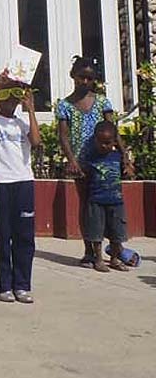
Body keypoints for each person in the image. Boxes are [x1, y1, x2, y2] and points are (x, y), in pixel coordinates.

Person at [56, 56, 130, 266]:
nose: (85, 82)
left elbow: (114, 130)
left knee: (110, 202)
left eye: (89, 78)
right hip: (82, 162)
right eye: (81, 77)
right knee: (87, 204)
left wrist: (123, 154)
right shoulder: (65, 105)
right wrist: (72, 160)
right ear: (73, 76)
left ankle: (116, 248)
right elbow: (63, 135)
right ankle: (90, 250)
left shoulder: (103, 102)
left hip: (105, 162)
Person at [0, 77, 40, 303]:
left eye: (13, 95)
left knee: (24, 236)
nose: (9, 100)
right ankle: (4, 285)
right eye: (5, 96)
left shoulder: (22, 123)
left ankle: (22, 284)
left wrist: (30, 109)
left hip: (24, 181)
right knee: (3, 236)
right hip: (1, 182)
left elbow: (36, 140)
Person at [79, 122, 133, 273]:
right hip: (96, 201)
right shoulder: (90, 158)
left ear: (114, 142)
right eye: (100, 142)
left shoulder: (118, 157)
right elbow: (84, 174)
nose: (104, 146)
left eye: (108, 143)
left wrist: (128, 169)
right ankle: (98, 259)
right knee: (96, 234)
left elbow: (127, 172)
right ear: (94, 140)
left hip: (116, 201)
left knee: (117, 233)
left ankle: (115, 258)